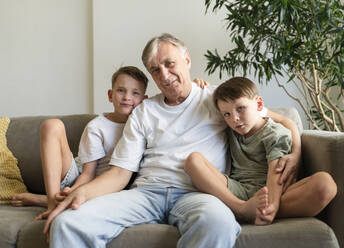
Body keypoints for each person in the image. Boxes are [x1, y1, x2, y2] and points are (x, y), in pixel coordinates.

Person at [43, 33, 302, 248]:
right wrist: (82, 193)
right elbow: (121, 173)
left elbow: (283, 120)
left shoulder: (218, 100)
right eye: (155, 70)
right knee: (69, 223)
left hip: (199, 194)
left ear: (187, 60)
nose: (164, 75)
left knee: (218, 223)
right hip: (146, 193)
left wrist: (296, 152)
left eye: (170, 64)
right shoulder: (144, 111)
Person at [184, 77, 337, 225]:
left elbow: (275, 174)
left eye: (241, 108)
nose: (235, 118)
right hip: (236, 190)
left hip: (273, 190)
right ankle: (241, 210)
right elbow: (205, 103)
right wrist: (198, 86)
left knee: (325, 185)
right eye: (227, 114)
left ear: (258, 104)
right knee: (193, 160)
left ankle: (261, 211)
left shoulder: (275, 133)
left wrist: (272, 205)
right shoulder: (231, 128)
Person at [11, 66, 149, 220]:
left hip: (111, 189)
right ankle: (51, 203)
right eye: (121, 90)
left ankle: (40, 200)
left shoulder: (145, 125)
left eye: (135, 93)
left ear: (145, 100)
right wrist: (74, 192)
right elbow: (88, 173)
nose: (127, 97)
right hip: (80, 179)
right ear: (110, 95)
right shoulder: (97, 127)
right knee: (51, 125)